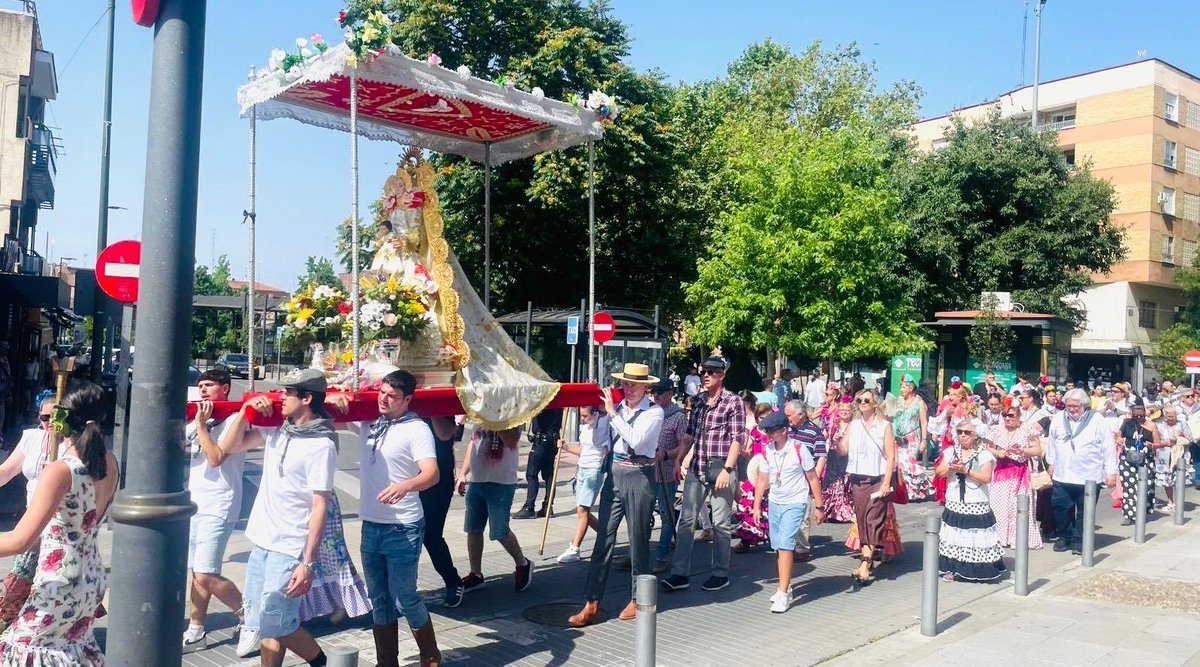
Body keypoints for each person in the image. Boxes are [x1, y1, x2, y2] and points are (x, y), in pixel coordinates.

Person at [219, 369, 337, 667]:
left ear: (307, 399)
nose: (281, 398)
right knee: (263, 620)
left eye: (289, 394)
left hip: (290, 546)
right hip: (263, 539)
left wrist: (308, 563)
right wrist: (245, 412)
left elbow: (320, 505)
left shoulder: (321, 444)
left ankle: (321, 662)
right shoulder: (277, 429)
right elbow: (230, 447)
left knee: (279, 622)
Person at [328, 370, 441, 667]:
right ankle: (386, 661)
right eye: (381, 392)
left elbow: (432, 474)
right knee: (378, 597)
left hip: (403, 527)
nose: (384, 399)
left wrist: (404, 486)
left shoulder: (416, 429)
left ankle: (430, 655)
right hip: (371, 524)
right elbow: (330, 414)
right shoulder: (370, 420)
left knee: (405, 596)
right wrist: (335, 396)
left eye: (392, 396)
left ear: (407, 400)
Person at [0, 381, 118, 664]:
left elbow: (20, 540)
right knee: (70, 650)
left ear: (62, 418)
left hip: (59, 578)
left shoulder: (60, 470)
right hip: (90, 577)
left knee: (24, 652)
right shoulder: (109, 461)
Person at [568, 363, 664, 627]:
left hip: (640, 476)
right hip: (615, 473)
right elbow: (602, 443)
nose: (628, 388)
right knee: (603, 541)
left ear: (646, 387)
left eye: (634, 384)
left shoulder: (654, 413)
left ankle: (639, 597)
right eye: (625, 383)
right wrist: (599, 416)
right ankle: (592, 602)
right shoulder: (617, 410)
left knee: (638, 539)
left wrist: (612, 414)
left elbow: (637, 441)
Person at [181, 369, 250, 652]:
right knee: (198, 571)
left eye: (209, 385)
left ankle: (249, 615)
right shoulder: (198, 418)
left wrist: (200, 426)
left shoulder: (235, 420)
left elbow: (216, 457)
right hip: (195, 502)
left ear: (226, 388)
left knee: (207, 573)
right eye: (200, 385)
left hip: (220, 503)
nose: (203, 390)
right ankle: (196, 628)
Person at [662, 356, 743, 593]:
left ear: (721, 375)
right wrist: (679, 460)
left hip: (720, 468)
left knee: (720, 523)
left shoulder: (733, 402)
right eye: (704, 371)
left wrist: (728, 470)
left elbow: (738, 439)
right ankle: (679, 574)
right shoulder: (697, 401)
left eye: (711, 372)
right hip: (697, 467)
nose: (706, 375)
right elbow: (689, 435)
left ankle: (720, 573)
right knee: (687, 519)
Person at [0, 393, 65, 632]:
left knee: (37, 580)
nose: (50, 423)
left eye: (56, 418)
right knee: (25, 579)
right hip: (31, 516)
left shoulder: (72, 444)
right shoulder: (31, 438)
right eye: (45, 417)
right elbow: (6, 471)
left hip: (58, 522)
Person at [752, 411, 825, 613]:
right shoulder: (767, 450)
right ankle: (785, 586)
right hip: (776, 502)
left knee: (785, 546)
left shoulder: (799, 449)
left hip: (796, 501)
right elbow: (762, 479)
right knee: (777, 546)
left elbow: (812, 478)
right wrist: (757, 504)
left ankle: (783, 593)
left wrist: (819, 506)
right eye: (765, 431)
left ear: (784, 431)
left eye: (771, 431)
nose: (768, 434)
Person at [456, 426, 533, 595]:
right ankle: (475, 574)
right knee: (473, 528)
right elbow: (473, 443)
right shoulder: (479, 414)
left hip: (501, 482)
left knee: (499, 530)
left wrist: (495, 423)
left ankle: (523, 564)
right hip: (477, 480)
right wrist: (463, 474)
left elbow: (511, 441)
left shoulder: (510, 416)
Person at [1044, 388, 1118, 553]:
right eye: (1068, 405)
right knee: (1060, 508)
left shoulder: (1097, 419)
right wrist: (1051, 463)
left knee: (1085, 512)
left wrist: (1111, 472)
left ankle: (1079, 541)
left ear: (1084, 405)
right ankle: (1065, 536)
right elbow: (1052, 441)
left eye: (1075, 406)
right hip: (1063, 474)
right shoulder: (1058, 419)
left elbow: (1108, 447)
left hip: (1089, 475)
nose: (1071, 409)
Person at [834, 389, 895, 584]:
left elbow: (891, 455)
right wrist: (836, 444)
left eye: (866, 400)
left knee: (873, 520)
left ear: (875, 403)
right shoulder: (854, 425)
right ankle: (866, 563)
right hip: (858, 479)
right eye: (859, 400)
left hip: (877, 479)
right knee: (861, 521)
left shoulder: (884, 426)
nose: (862, 403)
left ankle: (865, 563)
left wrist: (886, 482)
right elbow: (844, 450)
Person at [934, 420, 1005, 582]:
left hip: (976, 502)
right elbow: (939, 472)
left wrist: (965, 470)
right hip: (954, 501)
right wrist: (951, 468)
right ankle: (953, 569)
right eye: (960, 432)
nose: (963, 436)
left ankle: (976, 570)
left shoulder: (984, 454)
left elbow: (986, 477)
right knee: (954, 536)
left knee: (975, 537)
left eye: (967, 432)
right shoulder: (951, 451)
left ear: (975, 435)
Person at [420, 416, 465, 608]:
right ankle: (401, 589)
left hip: (438, 482)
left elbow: (446, 433)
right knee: (403, 536)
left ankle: (452, 580)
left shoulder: (436, 404)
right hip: (408, 479)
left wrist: (428, 408)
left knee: (430, 536)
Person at [556, 406, 610, 564]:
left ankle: (575, 547)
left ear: (595, 414)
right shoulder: (585, 427)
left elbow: (602, 445)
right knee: (582, 509)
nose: (582, 419)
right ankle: (606, 537)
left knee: (582, 509)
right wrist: (566, 448)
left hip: (594, 469)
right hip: (582, 467)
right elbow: (583, 449)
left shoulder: (603, 424)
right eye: (581, 416)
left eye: (585, 416)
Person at [985, 407, 1044, 549]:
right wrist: (998, 452)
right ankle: (1000, 538)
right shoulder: (996, 430)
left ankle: (1019, 538)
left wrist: (1023, 450)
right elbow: (986, 447)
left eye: (1011, 415)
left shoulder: (1027, 430)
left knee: (1018, 506)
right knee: (999, 506)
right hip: (1001, 472)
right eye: (1004, 415)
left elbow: (1037, 451)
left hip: (1019, 473)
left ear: (1018, 416)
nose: (1007, 418)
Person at [651, 377, 688, 572]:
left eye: (660, 392)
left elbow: (684, 444)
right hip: (647, 472)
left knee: (666, 516)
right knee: (642, 515)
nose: (655, 395)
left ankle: (661, 556)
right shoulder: (649, 412)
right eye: (653, 392)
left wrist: (667, 455)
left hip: (665, 473)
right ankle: (636, 554)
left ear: (670, 393)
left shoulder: (678, 416)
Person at [783, 400, 824, 561]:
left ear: (801, 415)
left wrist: (813, 479)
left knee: (803, 515)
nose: (787, 418)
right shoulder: (787, 430)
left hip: (805, 479)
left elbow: (821, 456)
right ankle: (789, 544)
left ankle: (802, 548)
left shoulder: (814, 431)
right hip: (788, 478)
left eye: (789, 415)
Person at [732, 403, 774, 554]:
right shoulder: (755, 431)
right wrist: (738, 450)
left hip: (772, 472)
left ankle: (777, 541)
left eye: (767, 417)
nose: (763, 420)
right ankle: (746, 540)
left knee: (771, 508)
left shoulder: (776, 432)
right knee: (747, 504)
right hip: (756, 472)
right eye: (761, 417)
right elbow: (749, 452)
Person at [513, 408, 563, 519]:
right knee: (549, 475)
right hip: (552, 439)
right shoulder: (558, 401)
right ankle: (547, 506)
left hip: (542, 440)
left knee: (531, 474)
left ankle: (529, 507)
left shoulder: (546, 399)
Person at [1115, 399, 1159, 526]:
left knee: (1144, 487)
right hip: (1128, 459)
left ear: (1145, 413)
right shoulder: (1126, 423)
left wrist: (1152, 445)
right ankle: (1129, 515)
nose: (1138, 416)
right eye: (1136, 414)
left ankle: (1141, 512)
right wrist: (1119, 440)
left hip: (1145, 460)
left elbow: (1158, 444)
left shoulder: (1151, 425)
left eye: (1141, 414)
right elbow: (1119, 436)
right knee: (1128, 488)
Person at [892, 375, 932, 502]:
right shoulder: (897, 400)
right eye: (901, 387)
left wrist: (924, 440)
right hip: (897, 437)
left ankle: (911, 491)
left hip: (912, 438)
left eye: (904, 387)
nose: (901, 389)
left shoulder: (918, 403)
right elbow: (889, 415)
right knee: (897, 464)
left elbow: (924, 422)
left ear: (911, 388)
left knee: (908, 464)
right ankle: (899, 491)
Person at [821, 398, 856, 523]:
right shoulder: (833, 422)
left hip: (848, 456)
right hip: (834, 455)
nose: (844, 412)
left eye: (847, 410)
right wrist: (833, 436)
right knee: (832, 481)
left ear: (852, 411)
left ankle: (843, 510)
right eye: (842, 409)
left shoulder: (855, 424)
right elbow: (825, 436)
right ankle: (831, 511)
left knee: (845, 481)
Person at [1154, 405, 1191, 512]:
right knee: (1166, 479)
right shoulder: (1159, 425)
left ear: (1176, 416)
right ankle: (1170, 501)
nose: (1171, 418)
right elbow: (1155, 439)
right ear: (1165, 415)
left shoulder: (1182, 425)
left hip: (1179, 454)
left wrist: (1179, 439)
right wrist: (1163, 443)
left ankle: (1178, 502)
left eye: (1173, 416)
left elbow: (1190, 438)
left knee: (1178, 478)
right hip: (1163, 453)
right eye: (1168, 416)